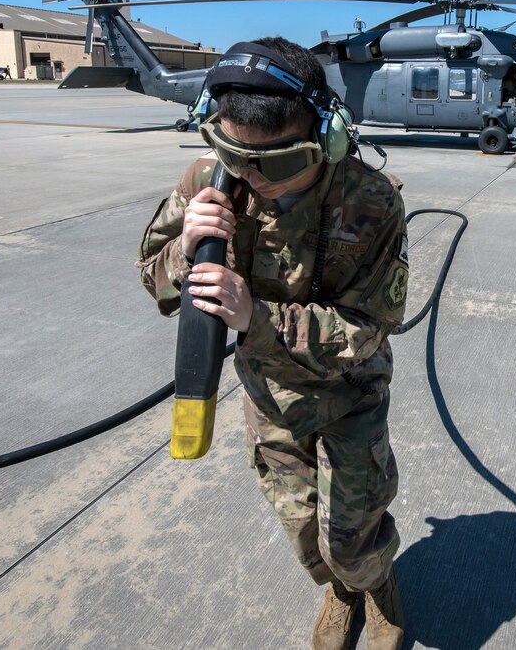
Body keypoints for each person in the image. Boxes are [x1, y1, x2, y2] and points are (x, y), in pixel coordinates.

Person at [137, 37, 409, 650]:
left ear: (327, 137)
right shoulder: (209, 183)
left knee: (354, 535)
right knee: (307, 535)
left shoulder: (370, 200)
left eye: (277, 163)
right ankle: (341, 590)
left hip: (350, 395)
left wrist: (255, 317)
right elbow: (149, 271)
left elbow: (366, 330)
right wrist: (182, 252)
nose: (254, 178)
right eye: (234, 155)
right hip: (270, 400)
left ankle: (376, 582)